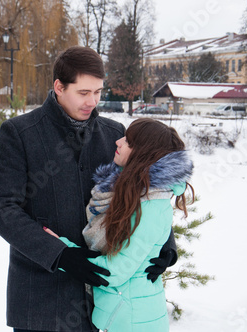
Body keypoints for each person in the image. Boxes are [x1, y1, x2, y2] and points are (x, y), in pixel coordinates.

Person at [0, 46, 177, 332]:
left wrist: (166, 245)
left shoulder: (114, 135)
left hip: (104, 304)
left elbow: (146, 189)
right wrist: (59, 254)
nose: (93, 101)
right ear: (59, 87)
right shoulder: (20, 133)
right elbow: (2, 209)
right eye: (83, 92)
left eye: (98, 92)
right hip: (40, 298)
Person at [45, 118, 194, 331]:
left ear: (143, 154)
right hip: (121, 314)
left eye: (129, 141)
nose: (118, 141)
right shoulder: (133, 192)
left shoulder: (149, 206)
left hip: (131, 320)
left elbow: (114, 272)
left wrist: (61, 250)